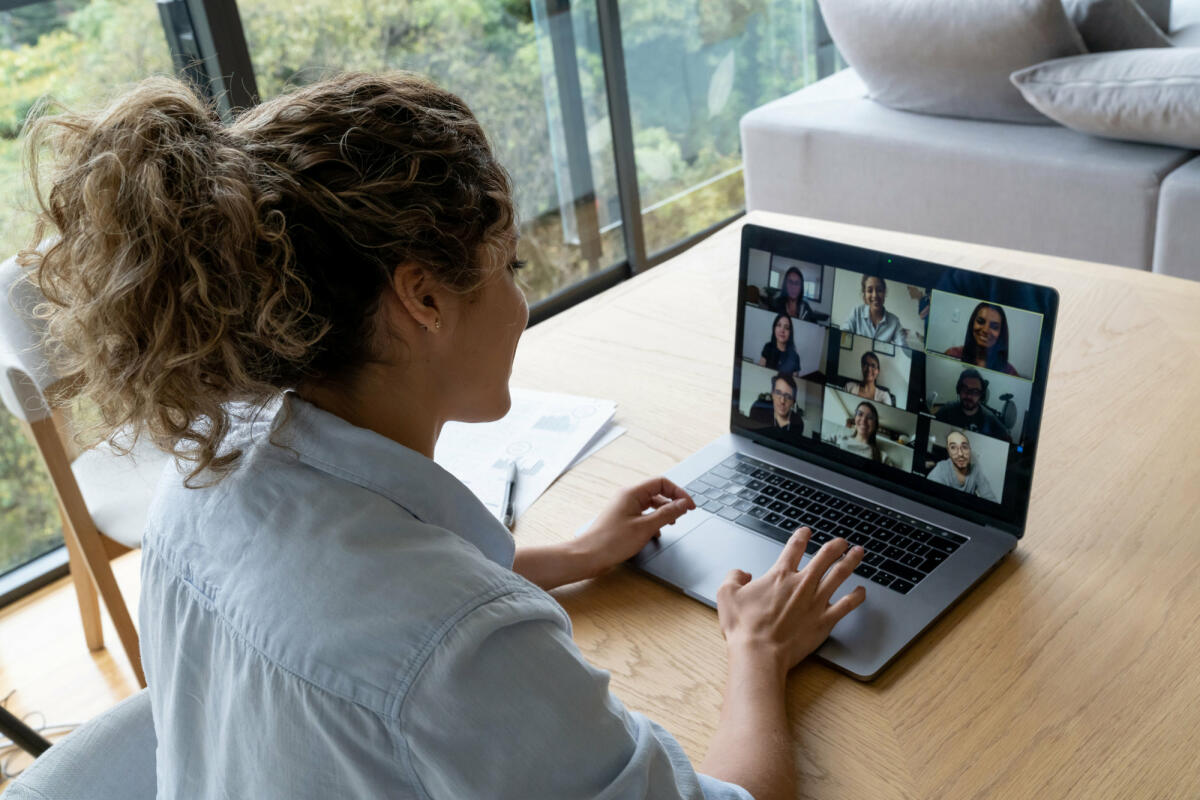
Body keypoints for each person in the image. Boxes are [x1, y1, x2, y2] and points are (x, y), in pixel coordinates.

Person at [23, 73, 867, 800]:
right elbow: (424, 642)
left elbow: (361, 612)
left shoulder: (206, 474)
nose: (520, 305)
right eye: (510, 268)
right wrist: (756, 652)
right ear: (422, 298)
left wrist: (568, 556)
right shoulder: (468, 646)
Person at [934, 368, 1011, 442]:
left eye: (975, 392)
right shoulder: (947, 409)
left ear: (981, 396)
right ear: (958, 390)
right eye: (965, 389)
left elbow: (1007, 439)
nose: (969, 396)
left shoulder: (989, 418)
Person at [944, 301, 1020, 376]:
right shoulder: (952, 354)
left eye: (994, 327)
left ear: (1001, 333)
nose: (985, 330)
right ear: (972, 324)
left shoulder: (1009, 372)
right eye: (980, 321)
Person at [926, 430, 999, 501]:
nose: (960, 453)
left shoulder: (975, 471)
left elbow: (990, 499)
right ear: (949, 452)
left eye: (964, 447)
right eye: (953, 448)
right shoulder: (941, 468)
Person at [842, 274, 908, 346]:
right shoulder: (856, 312)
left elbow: (903, 346)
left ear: (884, 292)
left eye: (879, 290)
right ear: (864, 294)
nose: (875, 295)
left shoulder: (894, 321)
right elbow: (843, 338)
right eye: (870, 291)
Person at [749, 374, 806, 445]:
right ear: (772, 394)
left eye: (788, 396)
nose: (782, 401)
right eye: (778, 393)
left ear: (793, 402)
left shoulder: (798, 422)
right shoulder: (758, 411)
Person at [833, 401, 894, 466]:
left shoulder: (883, 457)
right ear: (855, 418)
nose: (864, 420)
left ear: (875, 425)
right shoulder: (838, 437)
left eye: (870, 417)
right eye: (860, 414)